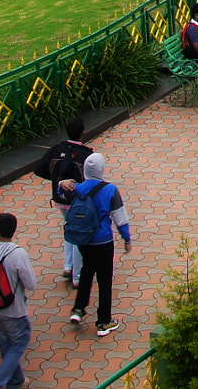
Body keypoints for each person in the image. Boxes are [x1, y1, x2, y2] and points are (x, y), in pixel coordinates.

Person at [63, 153, 132, 336]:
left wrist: (61, 184)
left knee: (87, 270)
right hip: (103, 240)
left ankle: (78, 309)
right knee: (104, 279)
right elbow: (120, 217)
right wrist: (126, 238)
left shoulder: (77, 187)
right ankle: (103, 321)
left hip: (84, 239)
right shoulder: (110, 190)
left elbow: (61, 192)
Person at [0, 210, 37, 389]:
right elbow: (31, 283)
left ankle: (16, 381)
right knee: (19, 341)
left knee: (5, 343)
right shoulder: (18, 254)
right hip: (14, 308)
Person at [31, 119, 92, 281]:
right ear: (82, 133)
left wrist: (55, 180)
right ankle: (77, 276)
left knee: (69, 227)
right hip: (77, 201)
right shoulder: (87, 154)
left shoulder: (56, 149)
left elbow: (39, 169)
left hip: (59, 200)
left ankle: (67, 266)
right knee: (78, 232)